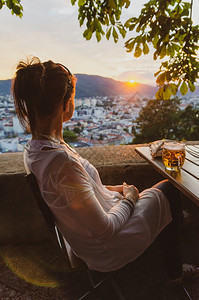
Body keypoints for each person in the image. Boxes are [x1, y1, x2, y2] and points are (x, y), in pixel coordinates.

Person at [12, 56, 199, 284]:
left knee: (163, 196)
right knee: (169, 190)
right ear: (64, 102)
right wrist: (129, 199)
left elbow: (80, 194)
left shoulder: (37, 149)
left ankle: (176, 219)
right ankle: (175, 271)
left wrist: (117, 189)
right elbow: (106, 230)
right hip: (107, 249)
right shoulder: (60, 163)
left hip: (85, 237)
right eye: (73, 97)